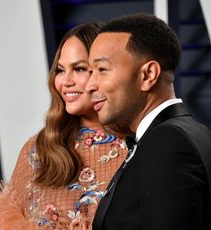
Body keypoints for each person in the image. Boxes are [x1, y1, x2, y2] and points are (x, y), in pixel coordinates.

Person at [0, 22, 129, 229]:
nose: (65, 81)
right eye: (60, 70)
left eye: (78, 69)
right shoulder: (36, 150)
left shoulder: (137, 147)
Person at [86, 13, 211, 230]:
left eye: (102, 70)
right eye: (89, 71)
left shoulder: (166, 143)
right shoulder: (195, 133)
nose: (89, 85)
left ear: (148, 75)